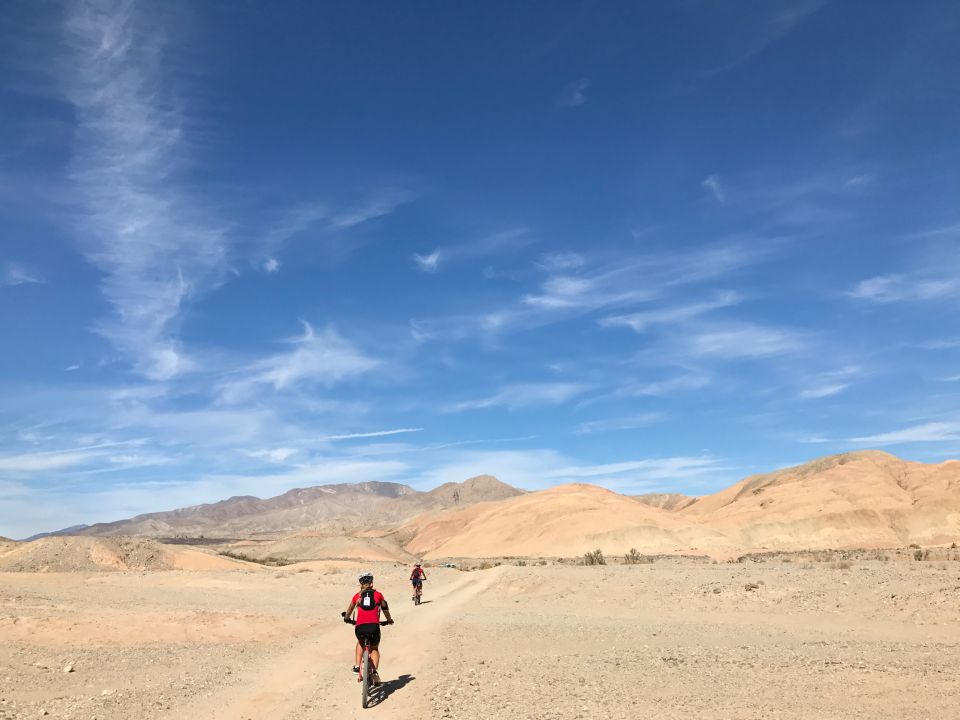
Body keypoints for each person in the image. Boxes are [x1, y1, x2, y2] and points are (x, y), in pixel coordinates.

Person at [342, 571, 393, 683]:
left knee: (360, 642)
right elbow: (385, 608)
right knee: (374, 648)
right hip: (374, 627)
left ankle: (357, 666)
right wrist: (389, 620)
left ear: (360, 584)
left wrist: (346, 618)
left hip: (360, 627)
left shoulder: (357, 596)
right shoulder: (378, 595)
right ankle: (374, 672)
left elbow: (350, 609)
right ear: (372, 583)